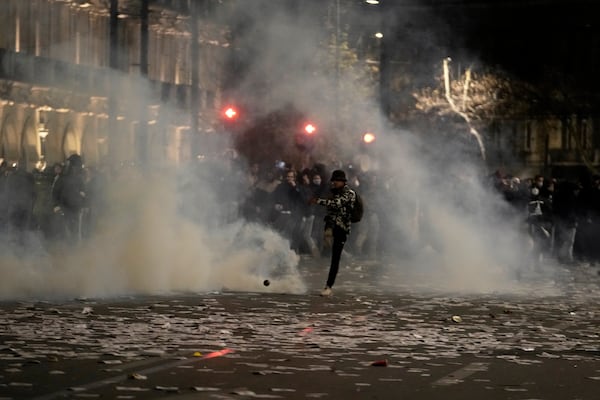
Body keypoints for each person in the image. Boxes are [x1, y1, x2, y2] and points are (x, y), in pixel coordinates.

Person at [312, 169, 356, 296]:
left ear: (342, 181)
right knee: (332, 254)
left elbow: (337, 204)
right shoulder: (335, 193)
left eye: (336, 181)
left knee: (335, 258)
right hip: (333, 227)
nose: (334, 183)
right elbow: (331, 211)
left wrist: (319, 201)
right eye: (333, 181)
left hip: (342, 229)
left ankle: (328, 286)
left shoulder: (349, 193)